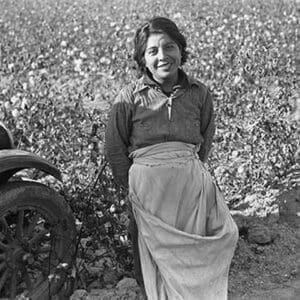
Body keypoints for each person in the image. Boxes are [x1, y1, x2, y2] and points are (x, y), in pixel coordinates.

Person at [105, 16, 238, 300]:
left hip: (190, 191)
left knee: (201, 248)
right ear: (143, 58)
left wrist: (184, 171)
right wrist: (133, 191)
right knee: (151, 258)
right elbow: (115, 149)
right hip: (148, 197)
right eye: (152, 51)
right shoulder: (129, 98)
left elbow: (204, 140)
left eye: (170, 47)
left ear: (181, 50)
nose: (163, 56)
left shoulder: (199, 93)